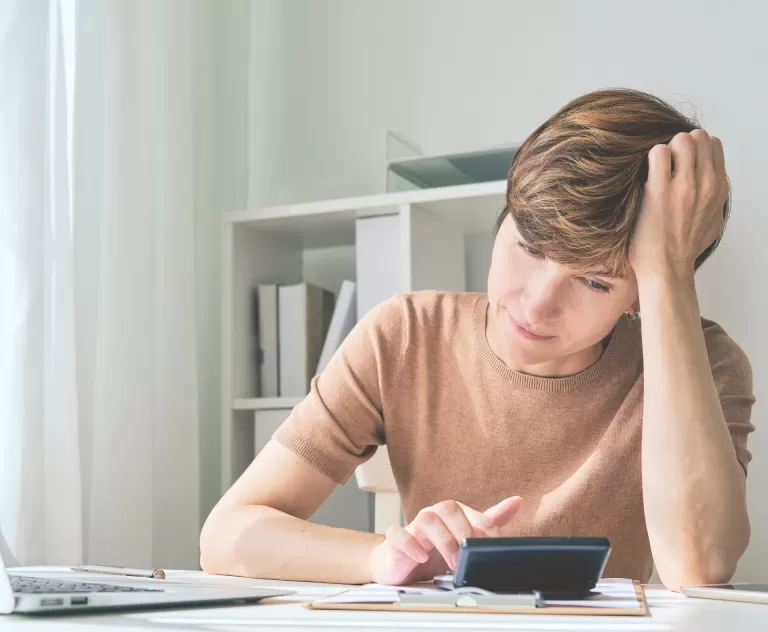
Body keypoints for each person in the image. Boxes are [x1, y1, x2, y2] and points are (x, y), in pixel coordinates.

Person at [200, 88, 755, 592]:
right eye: (530, 246)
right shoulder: (404, 336)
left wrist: (667, 276)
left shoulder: (702, 363)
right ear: (503, 215)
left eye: (594, 280)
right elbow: (226, 536)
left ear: (638, 292)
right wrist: (384, 559)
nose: (537, 303)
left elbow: (697, 565)